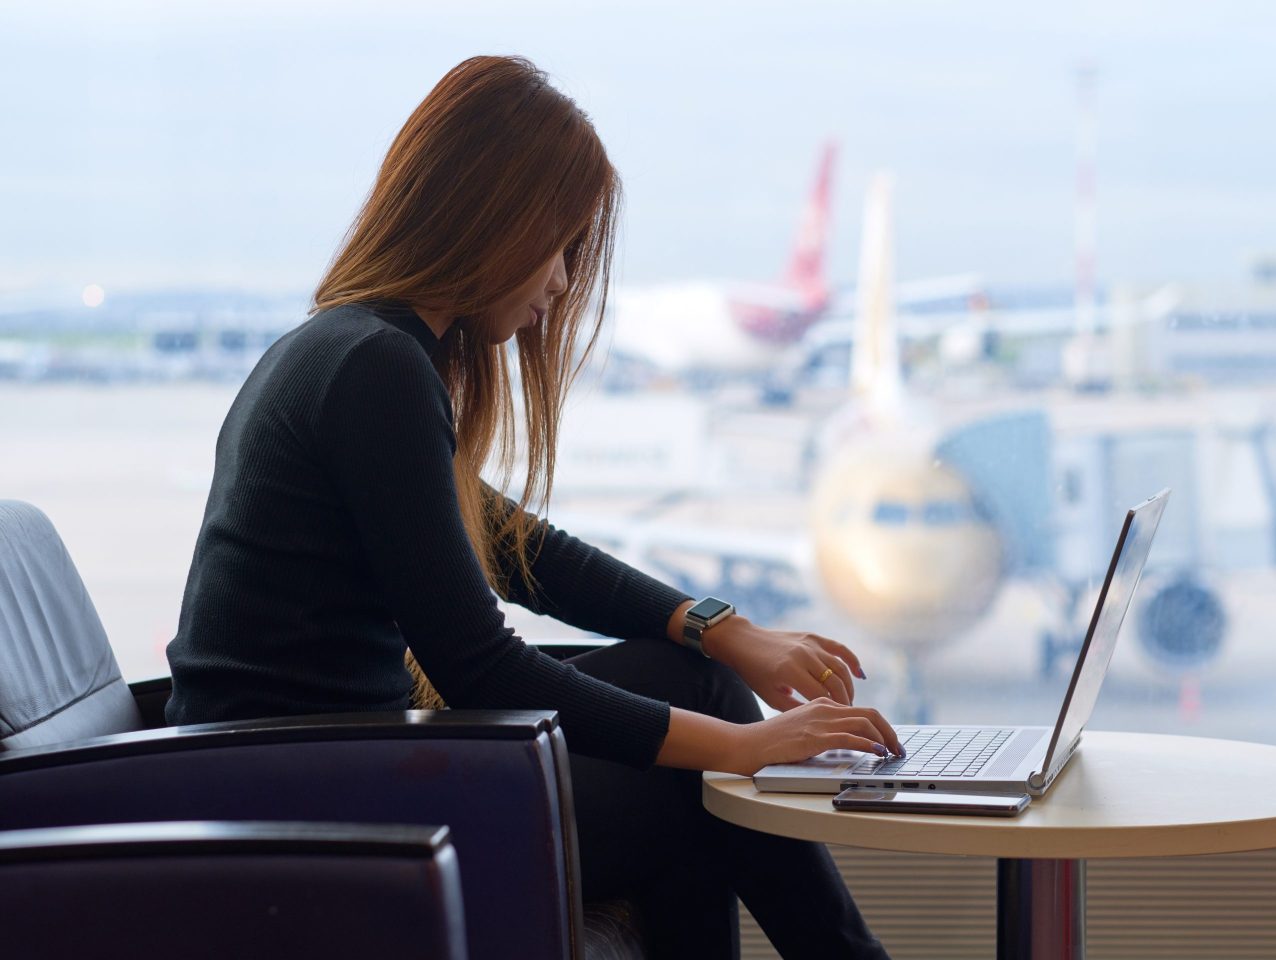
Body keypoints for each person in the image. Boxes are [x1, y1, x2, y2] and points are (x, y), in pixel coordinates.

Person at [164, 54, 901, 959]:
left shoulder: (361, 348)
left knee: (694, 681)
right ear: (492, 217)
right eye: (557, 244)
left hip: (331, 765)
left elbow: (520, 550)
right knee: (695, 789)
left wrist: (721, 628)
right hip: (312, 795)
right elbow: (483, 669)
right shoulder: (375, 368)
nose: (560, 282)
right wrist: (743, 749)